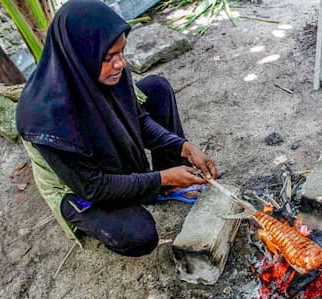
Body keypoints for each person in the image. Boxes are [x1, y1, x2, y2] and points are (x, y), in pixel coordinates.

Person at [15, 0, 218, 257]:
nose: (121, 63)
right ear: (81, 55)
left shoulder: (108, 71)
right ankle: (156, 185)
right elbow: (94, 187)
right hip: (80, 186)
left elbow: (139, 120)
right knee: (138, 234)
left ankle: (163, 186)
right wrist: (162, 177)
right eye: (109, 57)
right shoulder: (44, 119)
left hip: (104, 153)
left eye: (122, 52)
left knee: (156, 88)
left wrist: (183, 147)